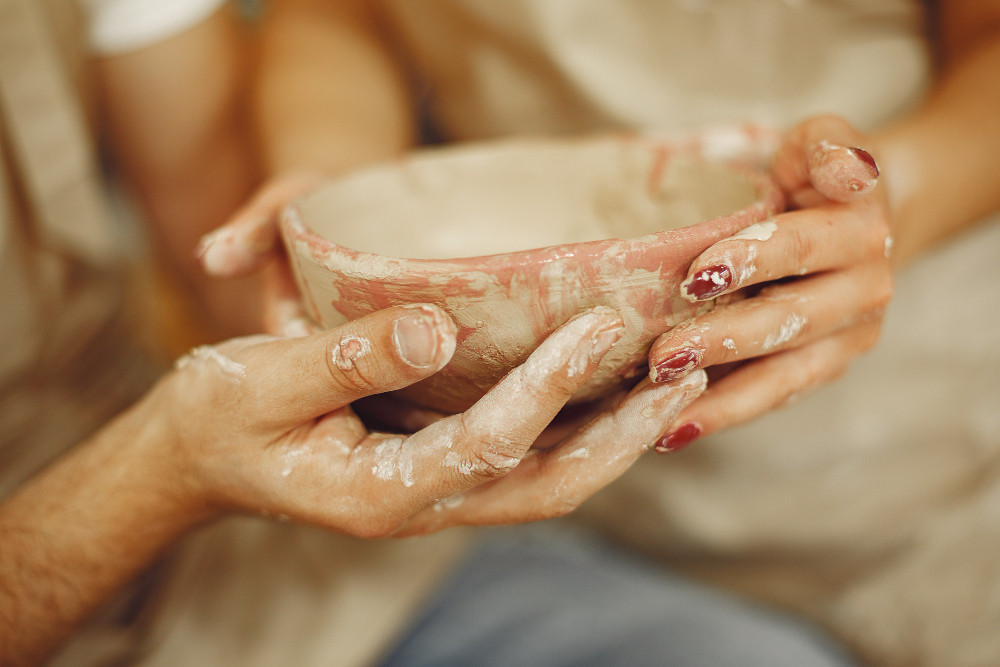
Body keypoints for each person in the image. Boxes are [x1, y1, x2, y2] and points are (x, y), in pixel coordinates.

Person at [196, 0, 1000, 665]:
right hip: (516, 487)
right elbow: (340, 16)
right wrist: (345, 205)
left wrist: (901, 197)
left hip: (891, 448)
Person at [0, 1, 706, 665]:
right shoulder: (168, 456)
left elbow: (229, 262)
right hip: (115, 502)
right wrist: (165, 465)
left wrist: (350, 266)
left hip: (196, 534)